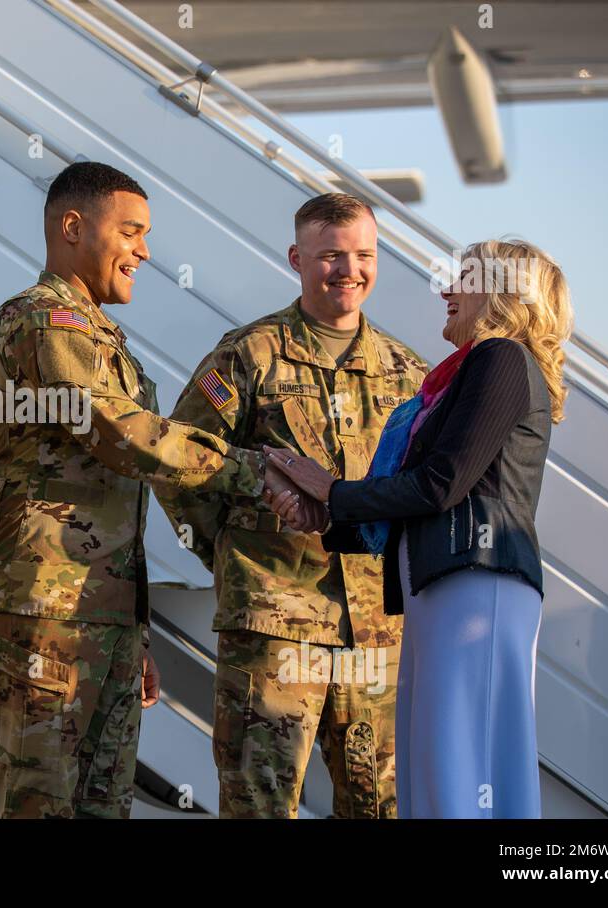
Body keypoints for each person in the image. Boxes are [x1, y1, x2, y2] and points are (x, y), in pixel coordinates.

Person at [0, 161, 269, 819]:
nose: (145, 251)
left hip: (95, 620)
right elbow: (124, 435)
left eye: (147, 235)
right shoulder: (44, 323)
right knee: (35, 805)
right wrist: (259, 472)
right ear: (73, 227)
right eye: (131, 231)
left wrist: (134, 633)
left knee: (100, 806)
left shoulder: (101, 336)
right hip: (43, 619)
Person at [265, 238, 573, 819]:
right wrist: (328, 515)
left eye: (465, 278)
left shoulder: (501, 357)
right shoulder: (459, 377)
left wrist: (332, 491)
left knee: (461, 770)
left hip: (476, 587)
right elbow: (427, 503)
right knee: (435, 771)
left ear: (506, 293)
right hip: (444, 589)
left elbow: (442, 483)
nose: (448, 289)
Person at [154, 192, 428, 818]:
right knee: (259, 801)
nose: (349, 270)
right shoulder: (247, 356)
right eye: (331, 255)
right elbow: (178, 463)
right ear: (297, 258)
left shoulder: (407, 373)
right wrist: (227, 554)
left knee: (381, 805)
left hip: (377, 637)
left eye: (363, 255)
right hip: (274, 625)